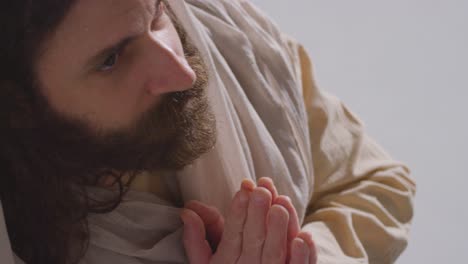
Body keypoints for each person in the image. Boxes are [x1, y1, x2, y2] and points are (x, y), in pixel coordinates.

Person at [0, 0, 416, 263]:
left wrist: (305, 255)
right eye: (111, 59)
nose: (182, 73)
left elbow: (377, 182)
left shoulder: (224, 34)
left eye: (159, 13)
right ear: (18, 107)